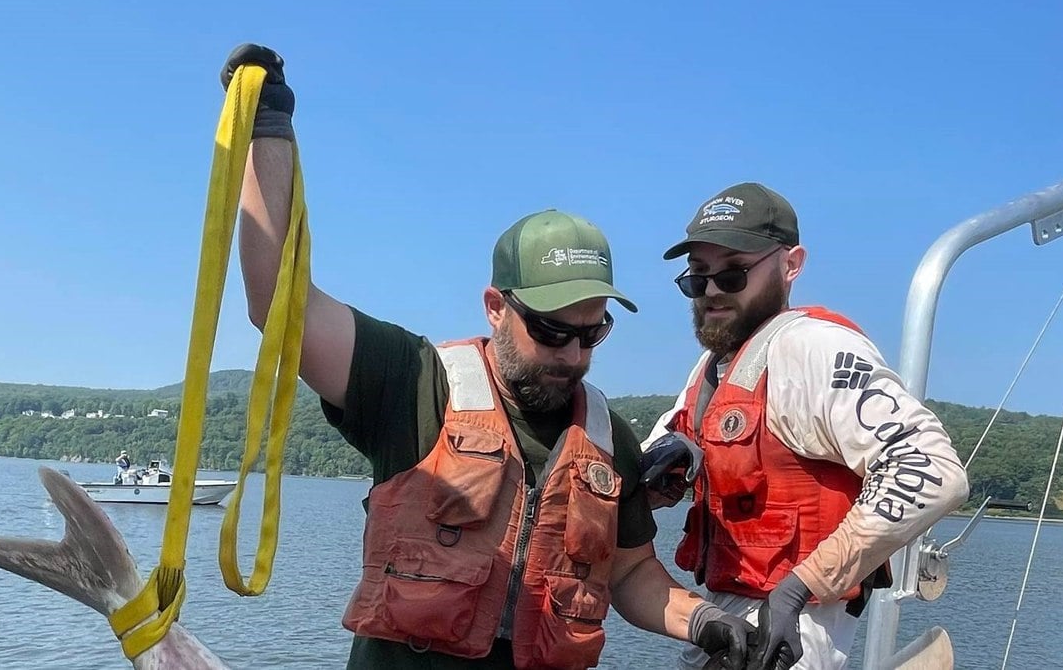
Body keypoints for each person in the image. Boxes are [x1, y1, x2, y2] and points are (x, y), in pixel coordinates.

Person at [222, 44, 755, 670]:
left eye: (593, 334)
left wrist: (707, 621)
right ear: (496, 307)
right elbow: (278, 306)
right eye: (552, 332)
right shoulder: (413, 383)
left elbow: (631, 571)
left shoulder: (611, 441)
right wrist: (269, 129)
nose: (574, 354)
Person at [639, 182, 971, 670]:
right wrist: (660, 467)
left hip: (791, 634)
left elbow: (933, 469)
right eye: (698, 277)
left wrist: (796, 591)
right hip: (724, 620)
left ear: (790, 264)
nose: (711, 291)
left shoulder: (814, 350)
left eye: (732, 274)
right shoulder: (712, 370)